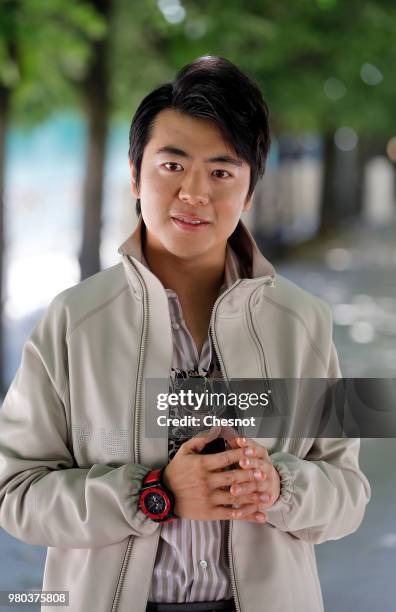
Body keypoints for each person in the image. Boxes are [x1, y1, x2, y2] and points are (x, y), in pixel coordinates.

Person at [0, 56, 370, 612]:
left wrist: (280, 488)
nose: (194, 193)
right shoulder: (72, 321)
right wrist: (155, 494)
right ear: (134, 173)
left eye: (222, 172)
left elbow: (349, 493)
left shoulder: (305, 322)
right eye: (172, 166)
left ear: (248, 192)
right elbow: (17, 495)